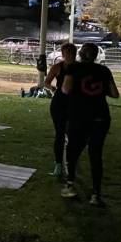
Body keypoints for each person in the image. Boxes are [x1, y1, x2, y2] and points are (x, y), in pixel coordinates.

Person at [60, 42, 119, 205]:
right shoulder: (104, 70)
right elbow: (115, 93)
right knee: (96, 155)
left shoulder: (73, 68)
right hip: (100, 117)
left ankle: (70, 185)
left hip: (79, 116)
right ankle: (96, 194)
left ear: (80, 54)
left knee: (73, 151)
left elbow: (65, 89)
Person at [44, 42, 76, 178]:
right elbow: (47, 81)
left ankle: (71, 163)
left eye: (72, 52)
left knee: (73, 135)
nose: (69, 55)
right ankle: (58, 165)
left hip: (74, 104)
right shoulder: (57, 67)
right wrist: (52, 88)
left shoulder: (79, 68)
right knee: (60, 134)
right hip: (59, 104)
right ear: (63, 54)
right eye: (66, 52)